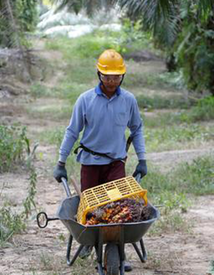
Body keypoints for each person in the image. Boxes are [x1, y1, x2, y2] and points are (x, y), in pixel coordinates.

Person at [53, 49, 147, 272]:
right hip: (90, 163)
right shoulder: (85, 100)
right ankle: (90, 244)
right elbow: (72, 131)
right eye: (107, 76)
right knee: (91, 209)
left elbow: (137, 129)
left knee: (117, 209)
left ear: (122, 76)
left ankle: (119, 255)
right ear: (99, 74)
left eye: (116, 76)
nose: (112, 81)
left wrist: (142, 159)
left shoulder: (128, 101)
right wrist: (60, 162)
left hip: (116, 164)